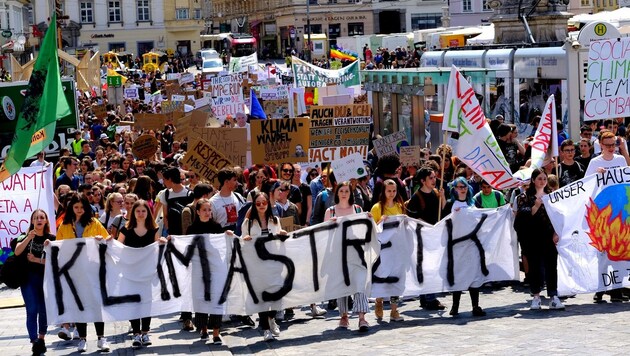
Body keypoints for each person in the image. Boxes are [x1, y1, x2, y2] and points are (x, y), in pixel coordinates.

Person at [56, 193, 111, 352]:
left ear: (86, 208)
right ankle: (82, 339)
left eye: (82, 207)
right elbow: (58, 246)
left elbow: (108, 240)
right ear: (71, 208)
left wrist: (102, 239)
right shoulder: (64, 225)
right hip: (74, 271)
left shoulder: (94, 222)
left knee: (96, 305)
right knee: (78, 305)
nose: (79, 210)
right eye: (76, 207)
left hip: (93, 270)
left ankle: (101, 338)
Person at [240, 192, 288, 341]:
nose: (261, 205)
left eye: (264, 203)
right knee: (262, 297)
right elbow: (242, 242)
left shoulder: (275, 220)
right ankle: (266, 329)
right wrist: (246, 239)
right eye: (258, 203)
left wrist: (282, 234)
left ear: (268, 204)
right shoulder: (248, 223)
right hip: (257, 265)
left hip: (273, 263)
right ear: (254, 205)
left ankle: (271, 318)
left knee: (277, 295)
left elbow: (279, 238)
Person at [323, 182, 371, 331]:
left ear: (351, 194)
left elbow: (363, 230)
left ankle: (362, 317)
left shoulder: (357, 209)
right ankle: (344, 316)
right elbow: (323, 235)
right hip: (338, 254)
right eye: (341, 191)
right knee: (341, 285)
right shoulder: (330, 212)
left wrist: (368, 219)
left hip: (356, 253)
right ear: (337, 193)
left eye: (347, 191)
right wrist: (329, 225)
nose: (344, 193)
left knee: (360, 282)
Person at [515, 168, 564, 310]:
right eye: (539, 179)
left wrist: (556, 232)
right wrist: (536, 206)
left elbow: (559, 216)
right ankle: (536, 296)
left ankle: (554, 296)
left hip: (549, 236)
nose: (542, 181)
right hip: (533, 237)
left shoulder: (552, 195)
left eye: (544, 178)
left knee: (551, 266)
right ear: (533, 180)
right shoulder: (524, 197)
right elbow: (522, 217)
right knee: (535, 267)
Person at [117, 200, 163, 349]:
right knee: (133, 303)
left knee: (146, 302)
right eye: (138, 211)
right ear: (133, 213)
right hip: (130, 273)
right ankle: (136, 333)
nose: (141, 214)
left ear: (148, 213)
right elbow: (117, 247)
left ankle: (145, 332)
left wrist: (162, 241)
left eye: (144, 211)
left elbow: (158, 248)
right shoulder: (126, 229)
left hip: (147, 273)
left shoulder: (153, 229)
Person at [14, 210, 55, 355]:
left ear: (46, 221)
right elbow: (17, 252)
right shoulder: (24, 236)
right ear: (32, 221)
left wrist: (37, 260)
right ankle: (34, 342)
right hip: (28, 279)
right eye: (36, 218)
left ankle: (41, 338)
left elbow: (55, 261)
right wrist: (27, 238)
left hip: (45, 279)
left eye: (42, 217)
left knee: (43, 310)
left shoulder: (51, 238)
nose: (39, 220)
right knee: (31, 310)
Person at [443, 177, 486, 317]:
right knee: (458, 274)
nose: (462, 189)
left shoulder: (473, 203)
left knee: (474, 274)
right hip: (457, 245)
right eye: (459, 187)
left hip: (472, 245)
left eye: (464, 186)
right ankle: (455, 306)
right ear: (454, 189)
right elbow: (443, 222)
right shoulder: (450, 203)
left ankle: (475, 305)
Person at [405, 167, 447, 311]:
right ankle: (430, 298)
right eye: (431, 178)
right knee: (428, 268)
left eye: (435, 177)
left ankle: (426, 297)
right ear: (423, 181)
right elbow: (411, 219)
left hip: (435, 236)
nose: (434, 180)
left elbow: (444, 210)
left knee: (432, 267)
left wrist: (443, 197)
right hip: (422, 237)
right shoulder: (417, 198)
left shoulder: (436, 193)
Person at [186, 198, 225, 345]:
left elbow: (222, 246)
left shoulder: (216, 227)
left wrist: (226, 235)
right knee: (201, 298)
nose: (208, 213)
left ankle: (216, 331)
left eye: (210, 210)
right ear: (198, 212)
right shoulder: (191, 229)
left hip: (215, 268)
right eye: (204, 210)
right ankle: (203, 328)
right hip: (198, 269)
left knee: (216, 298)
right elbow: (186, 248)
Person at [370, 179, 405, 322]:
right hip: (383, 250)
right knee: (382, 275)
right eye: (389, 191)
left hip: (396, 248)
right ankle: (379, 301)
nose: (391, 193)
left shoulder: (399, 206)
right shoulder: (377, 208)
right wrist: (380, 222)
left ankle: (394, 310)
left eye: (394, 191)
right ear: (384, 192)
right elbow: (372, 229)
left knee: (396, 277)